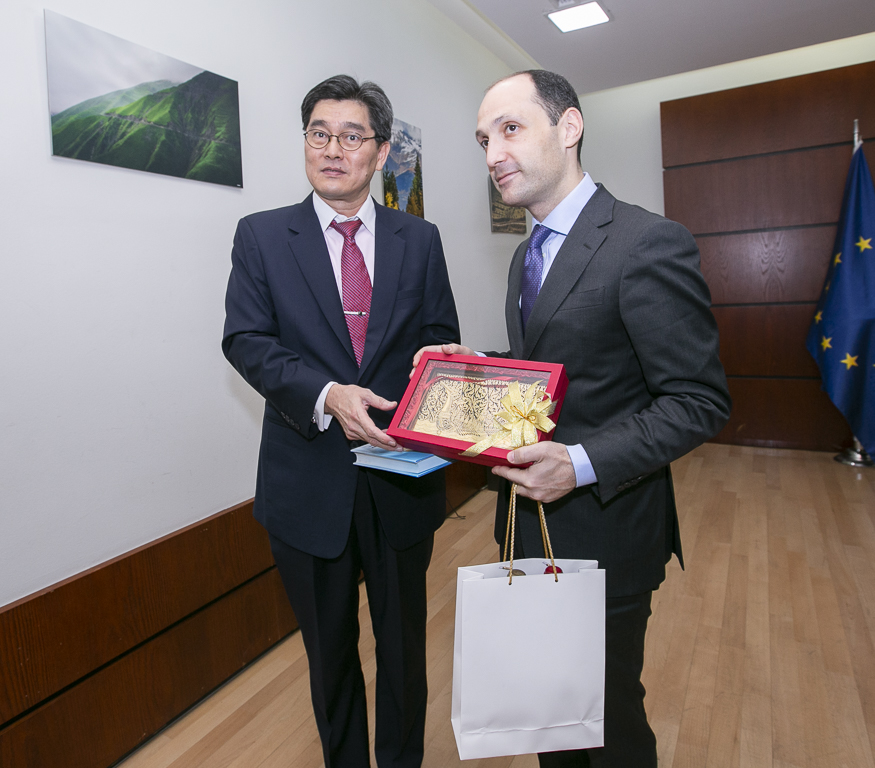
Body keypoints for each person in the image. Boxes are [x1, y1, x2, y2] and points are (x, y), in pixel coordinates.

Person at [416, 70, 731, 767]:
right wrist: (477, 363)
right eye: (482, 139)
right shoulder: (525, 254)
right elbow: (554, 366)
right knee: (551, 722)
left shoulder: (647, 241)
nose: (493, 153)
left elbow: (697, 401)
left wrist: (580, 464)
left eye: (509, 129)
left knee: (609, 725)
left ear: (568, 127)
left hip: (609, 533)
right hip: (529, 527)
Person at [222, 74, 459, 768]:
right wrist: (327, 395)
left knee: (404, 651)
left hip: (400, 478)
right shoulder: (263, 236)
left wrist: (437, 370)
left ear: (380, 152)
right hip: (306, 481)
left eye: (351, 136)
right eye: (318, 134)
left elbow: (438, 335)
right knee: (328, 657)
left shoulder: (420, 239)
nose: (332, 149)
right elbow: (246, 341)